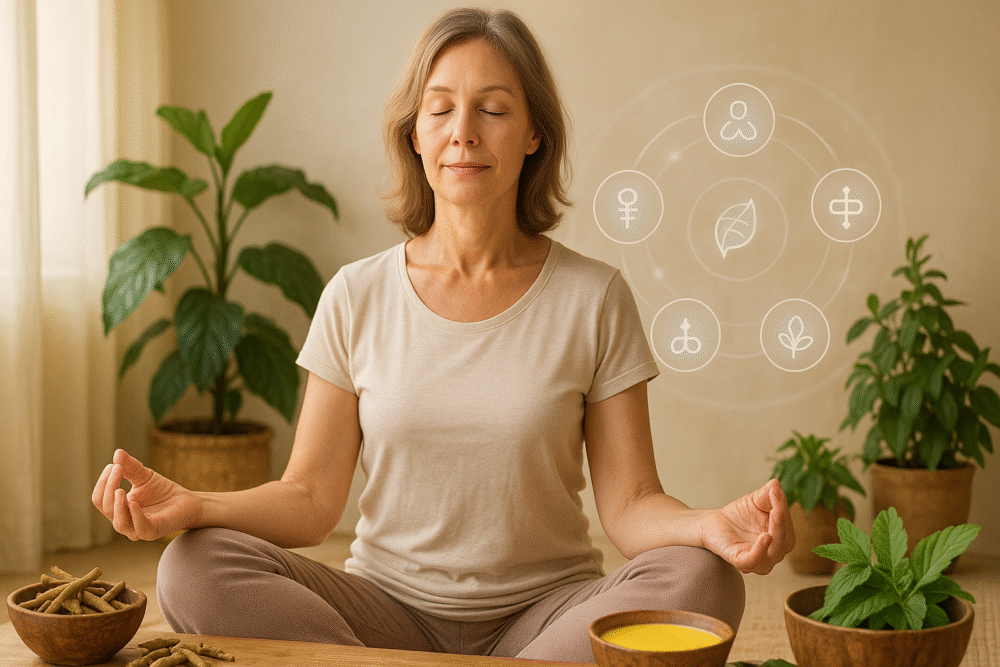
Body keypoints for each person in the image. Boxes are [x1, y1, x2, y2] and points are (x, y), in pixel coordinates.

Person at [92, 8, 793, 663]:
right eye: (441, 110)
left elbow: (632, 505)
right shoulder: (355, 294)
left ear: (533, 134)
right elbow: (309, 498)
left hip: (548, 616)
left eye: (493, 109)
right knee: (192, 564)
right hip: (382, 612)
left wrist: (707, 525)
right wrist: (196, 504)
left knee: (704, 581)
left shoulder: (595, 296)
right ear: (416, 134)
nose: (465, 131)